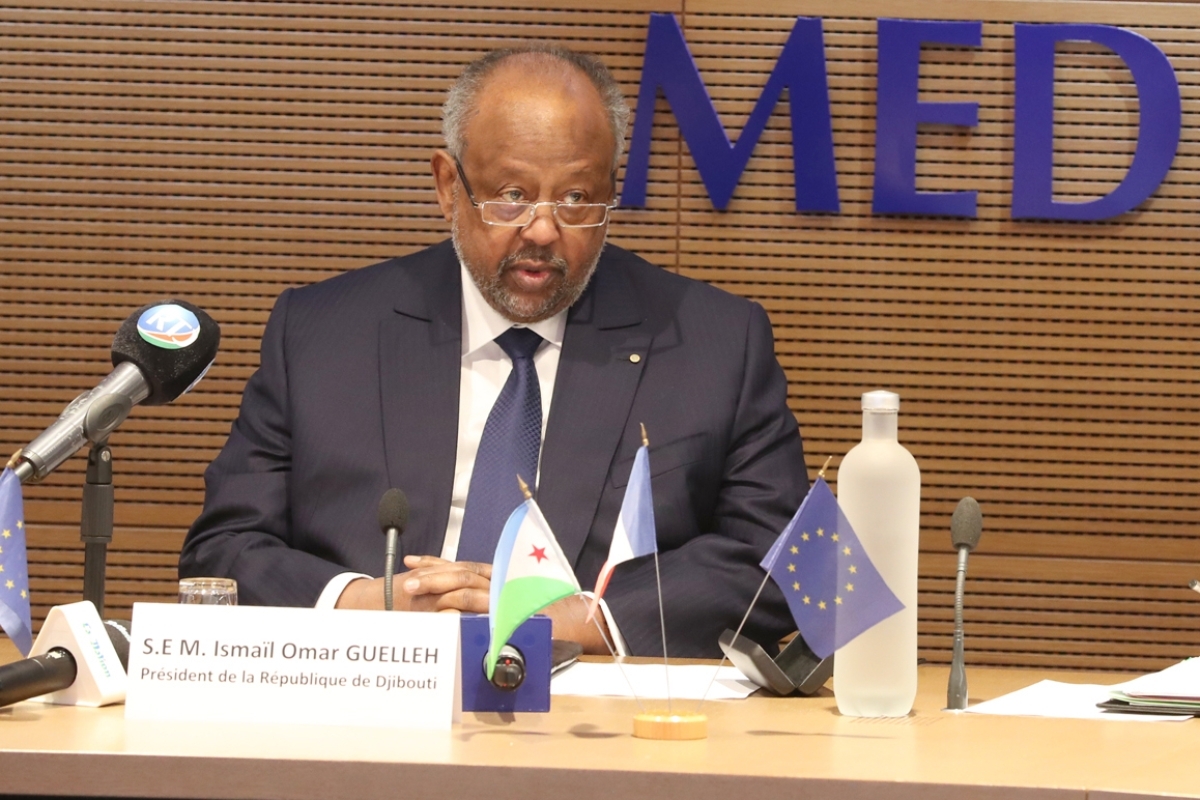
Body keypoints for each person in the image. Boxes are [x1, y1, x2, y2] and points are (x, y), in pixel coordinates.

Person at [179, 44, 807, 658]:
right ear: (449, 185)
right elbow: (224, 550)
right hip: (366, 694)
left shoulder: (714, 343)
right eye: (511, 193)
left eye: (575, 198)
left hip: (592, 715)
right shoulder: (323, 333)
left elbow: (780, 561)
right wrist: (365, 605)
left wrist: (589, 617)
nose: (542, 229)